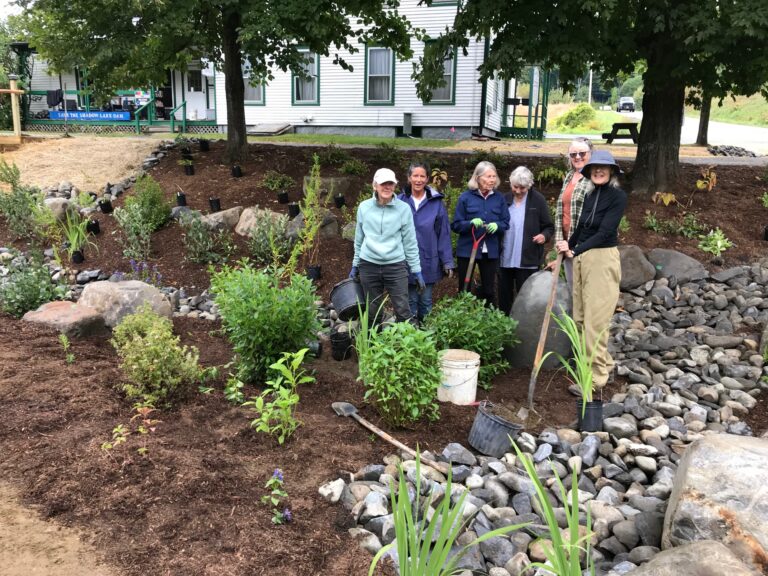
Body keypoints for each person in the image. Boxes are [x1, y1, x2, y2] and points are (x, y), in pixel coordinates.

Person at [555, 150, 627, 390]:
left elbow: (605, 232)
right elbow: (582, 228)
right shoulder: (590, 195)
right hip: (583, 258)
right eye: (594, 168)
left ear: (611, 172)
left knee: (595, 322)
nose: (598, 171)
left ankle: (595, 379)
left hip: (602, 259)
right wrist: (569, 244)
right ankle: (605, 364)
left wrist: (577, 250)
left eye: (603, 168)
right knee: (581, 318)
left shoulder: (618, 197)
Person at [350, 168, 424, 323]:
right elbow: (359, 239)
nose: (387, 187)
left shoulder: (403, 209)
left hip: (395, 265)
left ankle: (403, 345)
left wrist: (416, 270)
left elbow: (410, 242)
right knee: (372, 311)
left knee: (403, 310)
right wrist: (355, 264)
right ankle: (371, 345)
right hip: (368, 264)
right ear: (375, 186)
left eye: (391, 183)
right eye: (383, 183)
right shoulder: (364, 207)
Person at [397, 162, 454, 323]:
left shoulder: (436, 203)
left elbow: (443, 233)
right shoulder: (400, 201)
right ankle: (410, 337)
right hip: (405, 261)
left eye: (422, 176)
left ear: (428, 179)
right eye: (415, 176)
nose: (418, 180)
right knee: (410, 302)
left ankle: (425, 338)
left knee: (426, 301)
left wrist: (447, 261)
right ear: (409, 178)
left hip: (428, 260)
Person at [451, 161, 510, 306]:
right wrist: (469, 223)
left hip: (489, 250)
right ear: (477, 178)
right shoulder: (465, 198)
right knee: (464, 288)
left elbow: (505, 223)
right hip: (467, 250)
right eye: (488, 176)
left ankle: (487, 319)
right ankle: (463, 318)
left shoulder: (499, 198)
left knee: (489, 290)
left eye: (494, 176)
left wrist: (498, 225)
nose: (492, 180)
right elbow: (456, 225)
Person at [498, 166, 554, 316]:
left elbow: (549, 227)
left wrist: (544, 236)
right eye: (515, 187)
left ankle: (524, 327)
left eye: (522, 188)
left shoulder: (538, 200)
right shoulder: (504, 199)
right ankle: (503, 325)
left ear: (529, 186)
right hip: (505, 257)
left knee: (526, 296)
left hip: (528, 258)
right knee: (504, 296)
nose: (517, 191)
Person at [550, 137, 595, 285]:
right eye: (573, 154)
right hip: (567, 241)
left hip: (584, 244)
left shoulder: (594, 178)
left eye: (582, 153)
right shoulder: (569, 175)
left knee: (586, 288)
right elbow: (561, 210)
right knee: (572, 287)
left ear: (590, 153)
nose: (577, 157)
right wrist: (560, 241)